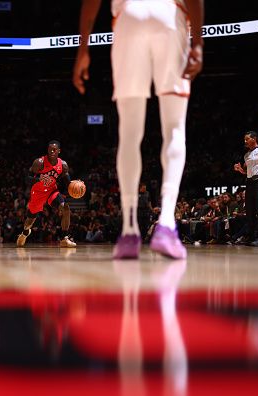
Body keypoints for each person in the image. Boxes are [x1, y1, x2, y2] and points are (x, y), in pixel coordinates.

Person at [73, 0, 204, 259]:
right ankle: (166, 223)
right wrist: (198, 43)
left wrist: (83, 49)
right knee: (174, 129)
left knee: (129, 134)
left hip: (128, 17)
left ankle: (130, 230)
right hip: (169, 15)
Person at [16, 140, 77, 247]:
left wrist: (74, 188)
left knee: (66, 208)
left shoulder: (63, 165)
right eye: (50, 149)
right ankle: (25, 232)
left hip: (51, 191)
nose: (52, 151)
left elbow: (68, 183)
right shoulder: (39, 162)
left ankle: (64, 238)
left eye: (54, 149)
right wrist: (40, 178)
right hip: (38, 192)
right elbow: (27, 179)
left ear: (59, 151)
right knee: (30, 220)